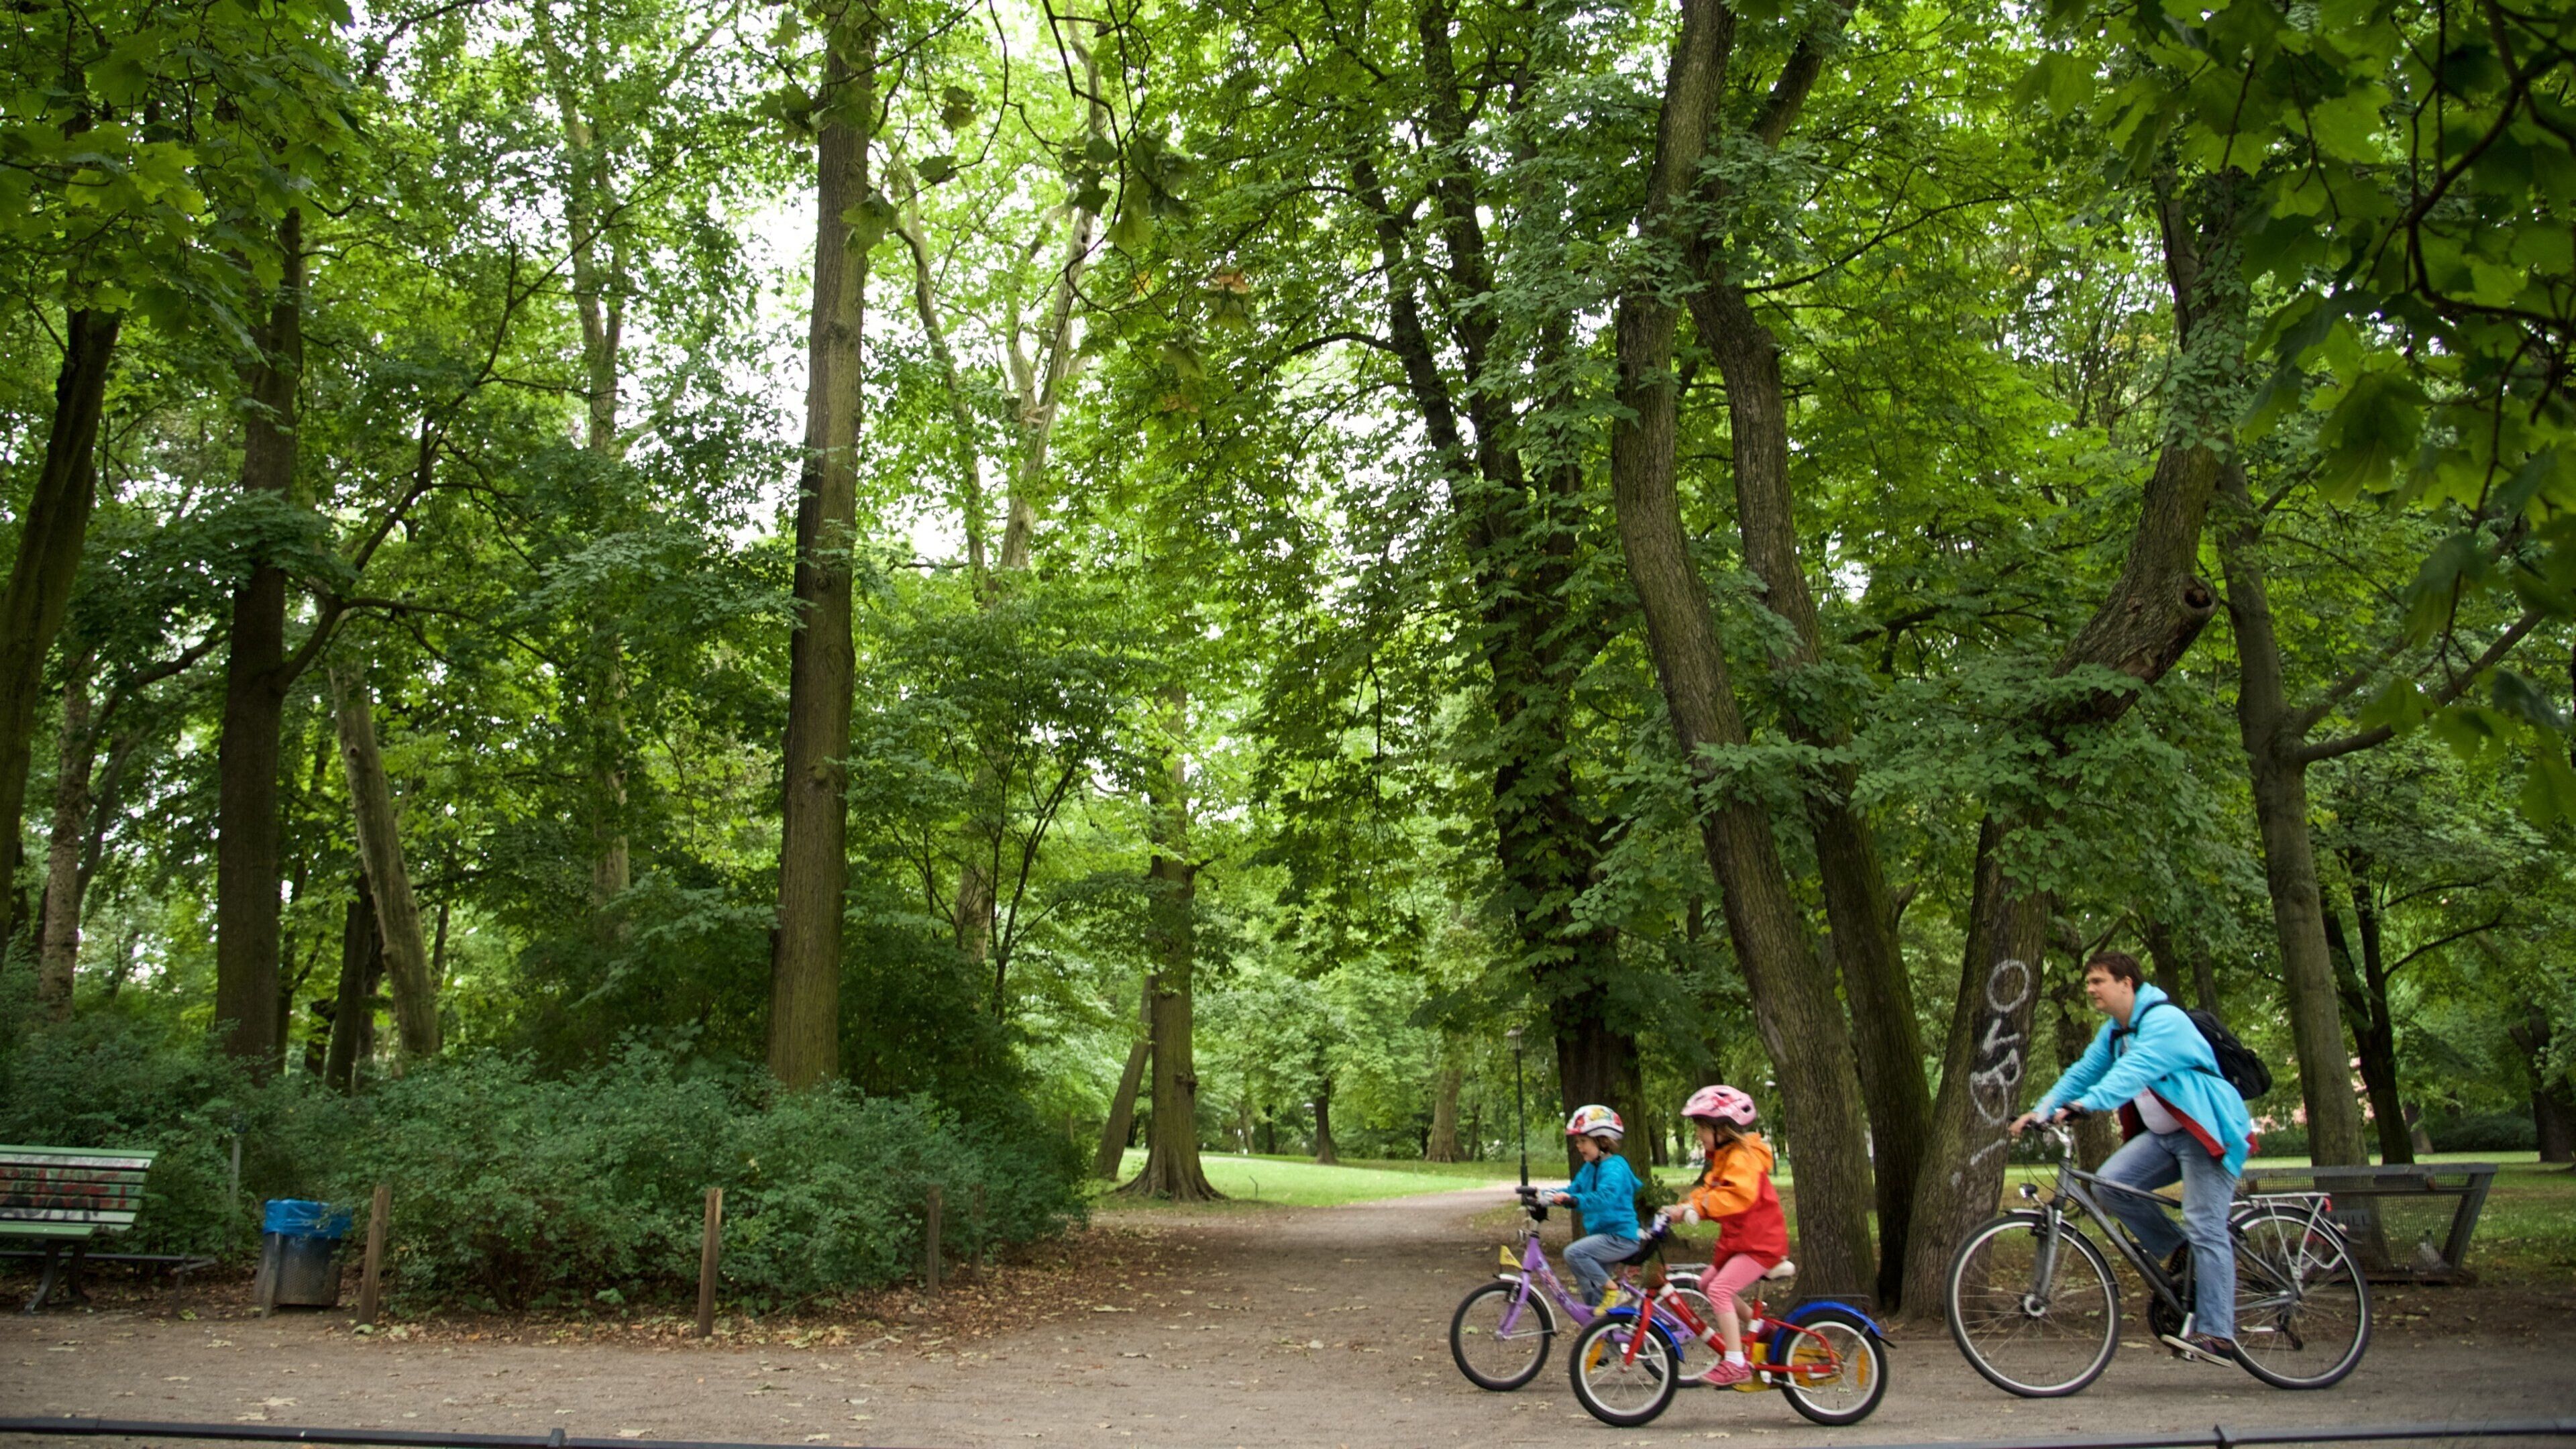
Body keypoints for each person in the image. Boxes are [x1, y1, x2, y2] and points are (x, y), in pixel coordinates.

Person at [2012, 951, 2253, 1364]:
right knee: (2110, 1186)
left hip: (2206, 1133)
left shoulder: (2165, 1021)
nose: (2090, 989)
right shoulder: (2116, 1031)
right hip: (2165, 1137)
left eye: (2098, 981)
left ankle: (2218, 1334)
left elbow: (2132, 1072)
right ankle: (2182, 1251)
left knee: (2205, 1224)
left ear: (2127, 984)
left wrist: (2085, 1105)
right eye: (2088, 982)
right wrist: (2043, 1109)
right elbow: (2083, 1071)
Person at [1657, 1084, 1787, 1388]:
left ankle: (1736, 1363)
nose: (1699, 1136)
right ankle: (1761, 1328)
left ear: (1723, 1129)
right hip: (1744, 1241)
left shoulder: (1742, 1158)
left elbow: (1736, 1197)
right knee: (1707, 1283)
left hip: (1761, 1244)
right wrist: (1682, 1208)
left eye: (1702, 1129)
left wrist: (1698, 1208)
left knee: (1719, 1290)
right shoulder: (1726, 1157)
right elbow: (1711, 1190)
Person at [1547, 1105, 1642, 1307]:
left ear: (1602, 1140)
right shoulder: (1590, 1167)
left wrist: (1574, 1201)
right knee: (1591, 1289)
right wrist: (1543, 1195)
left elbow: (1604, 1198)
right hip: (1603, 1236)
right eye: (1577, 1142)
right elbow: (1573, 1189)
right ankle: (1604, 1325)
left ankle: (1614, 1291)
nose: (1579, 1146)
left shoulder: (1615, 1167)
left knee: (1574, 1253)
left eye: (1583, 1141)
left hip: (1620, 1237)